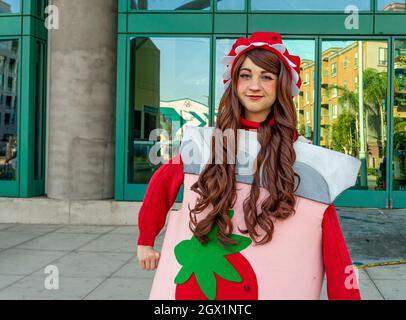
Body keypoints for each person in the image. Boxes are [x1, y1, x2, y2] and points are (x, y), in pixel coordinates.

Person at [137, 32, 362, 300]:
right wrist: (145, 239)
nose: (254, 85)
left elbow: (332, 238)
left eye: (266, 77)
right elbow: (161, 184)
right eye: (246, 75)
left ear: (281, 85)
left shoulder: (304, 159)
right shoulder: (206, 145)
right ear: (234, 81)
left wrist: (346, 294)